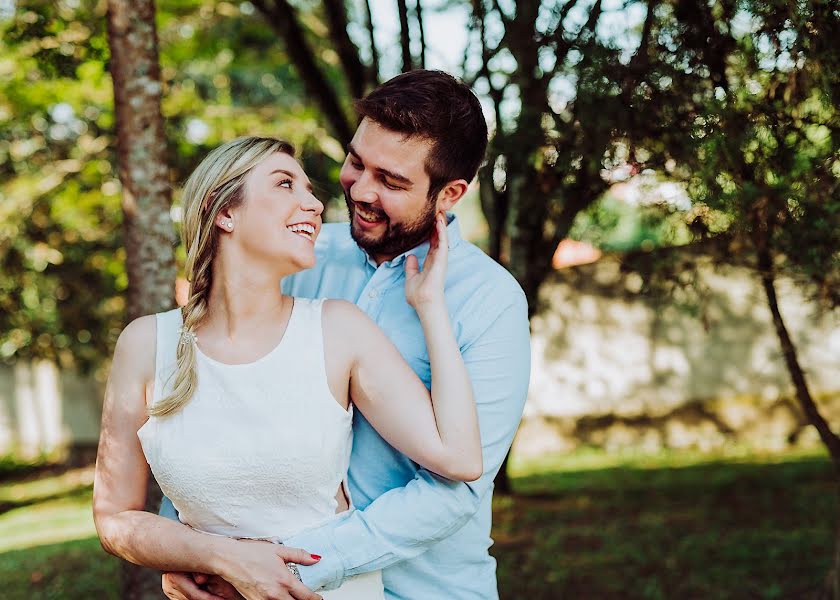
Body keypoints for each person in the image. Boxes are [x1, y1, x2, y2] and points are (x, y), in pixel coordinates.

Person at [161, 70, 531, 600]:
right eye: (357, 162)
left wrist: (295, 568)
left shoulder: (490, 301)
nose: (360, 189)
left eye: (392, 181)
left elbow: (457, 491)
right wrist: (188, 546)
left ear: (450, 193)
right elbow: (212, 404)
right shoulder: (296, 258)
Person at [92, 135, 486, 600]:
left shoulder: (338, 329)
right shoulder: (146, 343)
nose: (315, 205)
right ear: (225, 212)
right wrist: (213, 556)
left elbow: (460, 458)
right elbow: (114, 518)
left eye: (311, 191)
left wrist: (430, 306)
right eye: (285, 184)